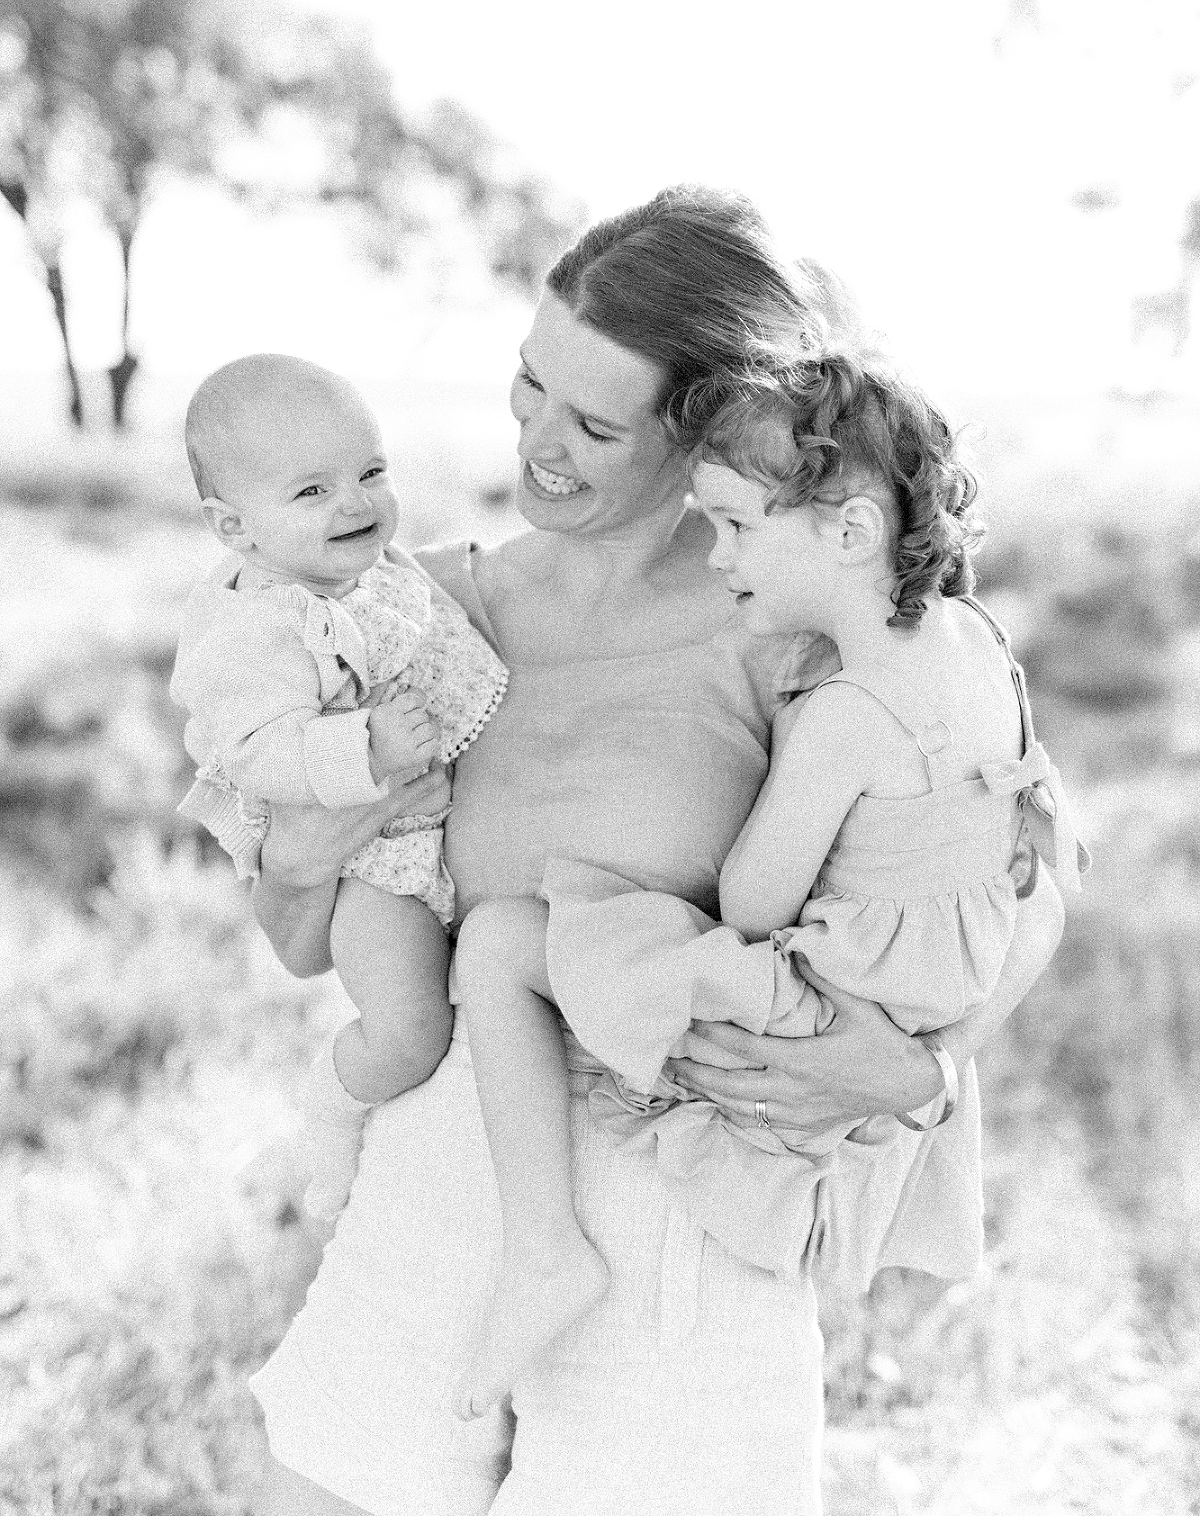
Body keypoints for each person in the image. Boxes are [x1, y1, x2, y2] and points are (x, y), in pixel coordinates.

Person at [241, 187, 1066, 1516]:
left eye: (593, 422)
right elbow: (293, 939)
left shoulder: (795, 619)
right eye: (526, 390)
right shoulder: (437, 607)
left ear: (707, 428)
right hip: (443, 1176)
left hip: (684, 1219)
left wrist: (920, 1063)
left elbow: (1027, 877)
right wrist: (332, 788)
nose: (539, 444)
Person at [449, 347, 1088, 1419]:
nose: (716, 557)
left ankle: (545, 1248)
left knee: (505, 944)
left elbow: (752, 903)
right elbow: (1048, 852)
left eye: (738, 527)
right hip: (917, 998)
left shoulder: (847, 714)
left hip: (822, 1012)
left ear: (849, 533)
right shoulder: (975, 640)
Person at [170, 355, 507, 1218]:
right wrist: (367, 747)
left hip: (426, 837)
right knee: (410, 1033)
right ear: (234, 529)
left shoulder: (373, 574)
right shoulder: (258, 626)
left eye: (370, 472)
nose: (356, 503)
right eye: (311, 492)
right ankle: (333, 1108)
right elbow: (257, 750)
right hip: (371, 871)